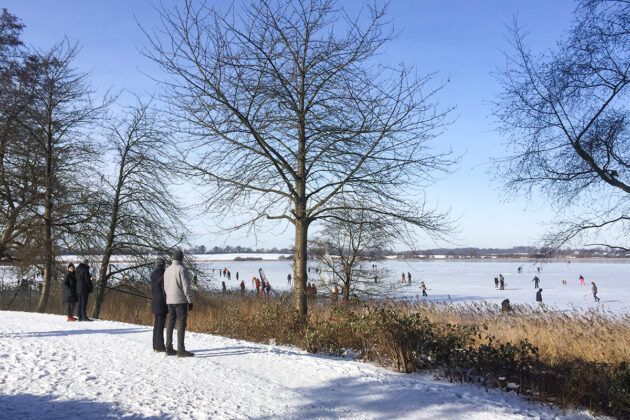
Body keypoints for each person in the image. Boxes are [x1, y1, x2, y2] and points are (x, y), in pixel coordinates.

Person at [164, 250, 194, 357]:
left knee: (170, 323)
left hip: (170, 300)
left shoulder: (167, 270)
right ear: (181, 258)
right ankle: (181, 350)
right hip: (180, 300)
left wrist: (169, 296)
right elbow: (186, 287)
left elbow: (165, 286)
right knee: (181, 324)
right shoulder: (182, 269)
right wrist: (190, 300)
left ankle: (168, 348)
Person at [150, 258, 168, 353]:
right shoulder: (163, 275)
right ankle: (160, 346)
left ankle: (155, 345)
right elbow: (164, 290)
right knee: (160, 325)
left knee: (156, 324)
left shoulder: (153, 275)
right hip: (161, 302)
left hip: (155, 301)